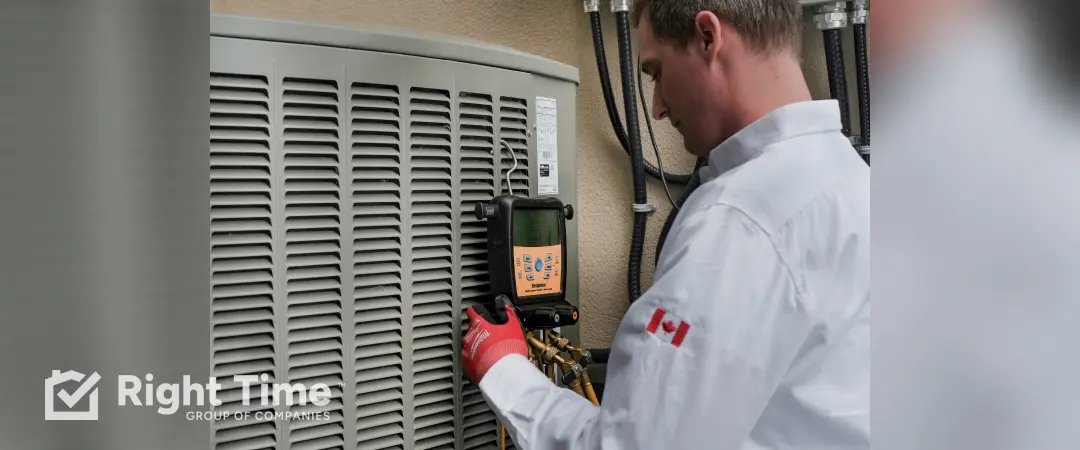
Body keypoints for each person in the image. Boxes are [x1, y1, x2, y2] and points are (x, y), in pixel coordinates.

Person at [461, 1, 870, 448]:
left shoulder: (741, 218)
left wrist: (503, 370)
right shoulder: (854, 181)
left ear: (708, 37)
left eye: (655, 72)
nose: (656, 108)